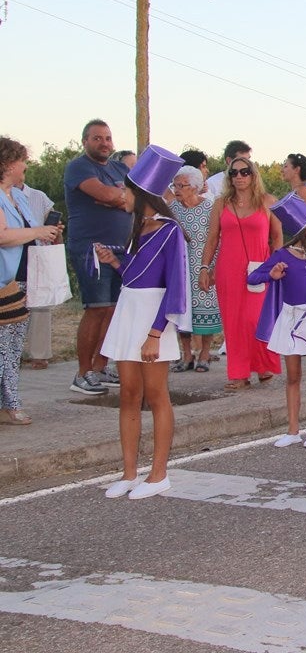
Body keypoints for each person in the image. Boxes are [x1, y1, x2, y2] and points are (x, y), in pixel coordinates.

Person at [97, 146, 190, 500]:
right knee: (129, 395)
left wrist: (155, 334)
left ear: (140, 192)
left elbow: (174, 289)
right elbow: (137, 277)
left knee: (156, 396)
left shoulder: (169, 232)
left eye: (125, 190)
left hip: (154, 320)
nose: (121, 196)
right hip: (129, 311)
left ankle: (159, 474)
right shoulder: (139, 229)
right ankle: (130, 472)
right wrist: (115, 263)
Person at [250, 193, 306, 448]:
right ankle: (292, 430)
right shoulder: (282, 255)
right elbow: (253, 277)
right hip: (290, 319)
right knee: (292, 376)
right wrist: (272, 274)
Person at [198, 156, 282, 390]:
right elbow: (213, 238)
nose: (239, 177)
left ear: (253, 175)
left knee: (255, 319)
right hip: (228, 268)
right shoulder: (221, 204)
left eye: (244, 172)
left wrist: (276, 263)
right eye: (233, 173)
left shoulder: (267, 202)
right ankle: (239, 373)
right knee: (233, 321)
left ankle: (263, 364)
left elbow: (277, 236)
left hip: (260, 267)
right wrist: (205, 268)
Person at [64, 119, 132, 396]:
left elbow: (137, 198)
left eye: (107, 138)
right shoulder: (79, 166)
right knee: (97, 308)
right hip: (91, 249)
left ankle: (101, 366)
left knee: (114, 310)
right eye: (97, 138)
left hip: (120, 251)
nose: (104, 143)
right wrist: (117, 197)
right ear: (85, 141)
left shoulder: (119, 167)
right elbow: (105, 193)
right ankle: (82, 373)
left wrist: (118, 198)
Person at [0, 137, 60, 425]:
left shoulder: (20, 196)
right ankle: (10, 404)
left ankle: (9, 403)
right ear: (8, 163)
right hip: (3, 282)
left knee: (12, 347)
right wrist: (38, 231)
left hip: (23, 278)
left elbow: (27, 230)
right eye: (22, 159)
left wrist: (47, 230)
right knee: (3, 346)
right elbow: (2, 235)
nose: (25, 165)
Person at [168, 165, 220, 372]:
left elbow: (217, 239)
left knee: (205, 309)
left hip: (203, 264)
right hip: (179, 267)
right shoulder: (172, 209)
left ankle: (205, 354)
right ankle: (186, 355)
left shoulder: (210, 208)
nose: (178, 189)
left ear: (197, 187)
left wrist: (210, 268)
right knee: (181, 310)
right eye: (175, 185)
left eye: (183, 185)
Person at [15, 171, 55, 370]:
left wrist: (55, 234)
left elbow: (52, 221)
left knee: (40, 306)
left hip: (37, 254)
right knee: (11, 306)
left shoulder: (38, 196)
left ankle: (39, 354)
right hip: (11, 255)